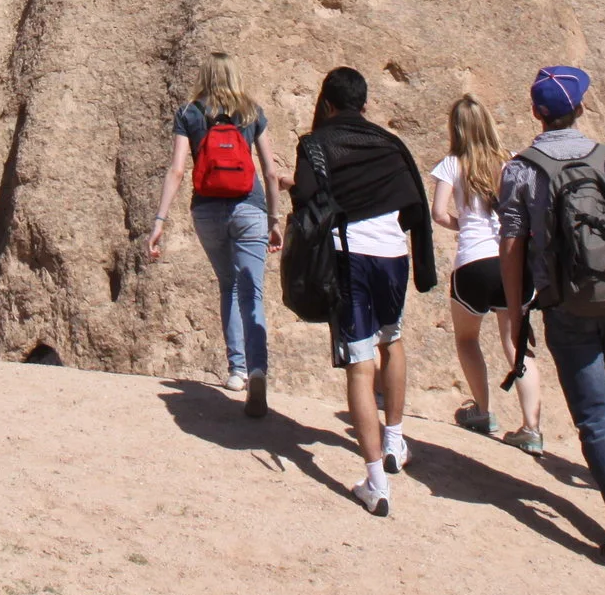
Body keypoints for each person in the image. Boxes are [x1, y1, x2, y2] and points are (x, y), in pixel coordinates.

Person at [497, 65, 605, 566]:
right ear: (582, 109)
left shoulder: (521, 169)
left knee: (593, 415)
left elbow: (511, 245)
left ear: (536, 113)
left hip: (565, 305)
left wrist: (515, 311)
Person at [289, 65, 437, 516]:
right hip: (393, 254)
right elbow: (415, 204)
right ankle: (395, 440)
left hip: (349, 255)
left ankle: (375, 483)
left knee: (358, 362)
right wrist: (423, 268)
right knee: (392, 340)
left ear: (328, 104)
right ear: (365, 103)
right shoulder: (390, 143)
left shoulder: (315, 145)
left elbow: (308, 202)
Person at [147, 54, 282, 418]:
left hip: (206, 209)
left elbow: (177, 170)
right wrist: (274, 217)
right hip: (250, 207)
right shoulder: (252, 112)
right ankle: (257, 369)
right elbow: (270, 171)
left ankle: (236, 370)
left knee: (229, 286)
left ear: (204, 77)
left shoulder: (189, 112)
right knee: (251, 289)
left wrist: (160, 220)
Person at [430, 92, 543, 454]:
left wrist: (462, 226)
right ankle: (531, 427)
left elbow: (438, 212)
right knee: (516, 344)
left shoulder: (452, 164)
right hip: (512, 262)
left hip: (473, 264)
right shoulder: (510, 162)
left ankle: (481, 410)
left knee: (467, 338)